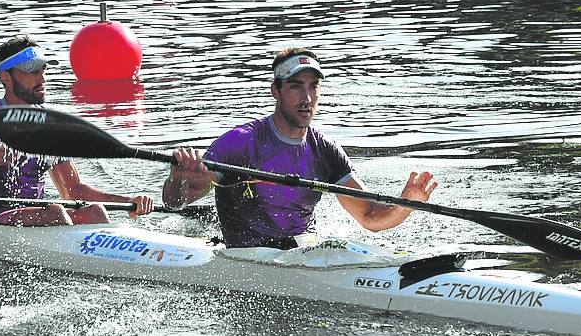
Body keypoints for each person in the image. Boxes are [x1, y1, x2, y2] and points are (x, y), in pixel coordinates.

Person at [162, 47, 436, 248]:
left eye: (313, 87)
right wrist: (179, 178)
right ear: (276, 91)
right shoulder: (240, 142)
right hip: (247, 258)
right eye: (295, 87)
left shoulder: (325, 151)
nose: (306, 98)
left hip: (303, 253)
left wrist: (407, 204)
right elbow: (175, 202)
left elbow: (370, 217)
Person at [0, 34, 153, 226]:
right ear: (6, 78)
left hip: (34, 218)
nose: (41, 78)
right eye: (31, 71)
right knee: (55, 212)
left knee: (95, 212)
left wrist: (127, 201)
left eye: (43, 69)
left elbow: (73, 190)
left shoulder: (51, 127)